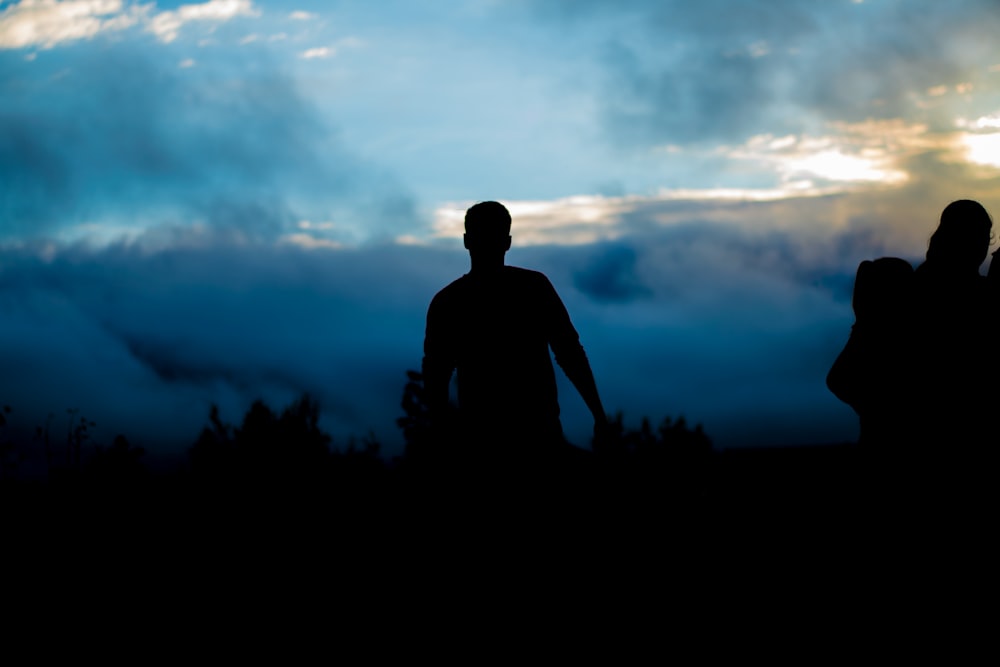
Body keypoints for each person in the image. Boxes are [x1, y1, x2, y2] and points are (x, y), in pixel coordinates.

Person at [421, 201, 609, 470]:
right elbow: (570, 354)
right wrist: (599, 416)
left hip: (481, 444)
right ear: (507, 242)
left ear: (466, 241)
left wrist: (442, 439)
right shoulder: (534, 288)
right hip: (539, 438)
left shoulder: (447, 302)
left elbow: (435, 378)